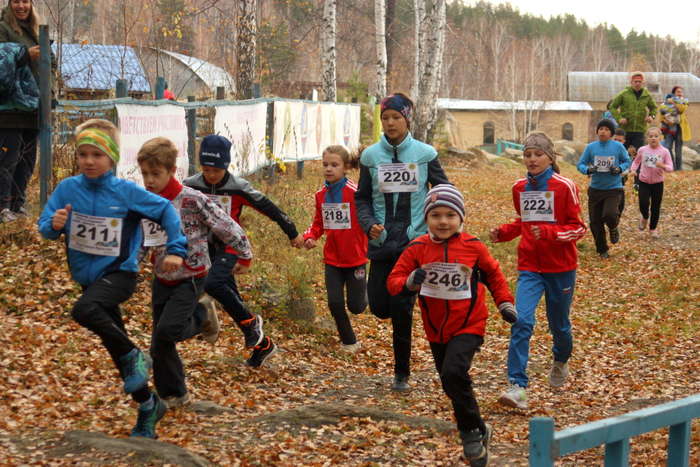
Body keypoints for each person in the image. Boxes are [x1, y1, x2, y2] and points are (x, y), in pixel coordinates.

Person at [37, 119, 188, 438]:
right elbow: (45, 225)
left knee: (83, 311)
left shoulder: (127, 192)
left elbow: (165, 211)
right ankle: (149, 406)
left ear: (112, 158)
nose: (89, 161)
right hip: (88, 280)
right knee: (116, 349)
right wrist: (55, 222)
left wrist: (176, 248)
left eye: (97, 155)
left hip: (119, 275)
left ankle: (137, 355)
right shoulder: (68, 189)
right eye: (83, 154)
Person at [387, 184, 516, 465]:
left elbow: (494, 275)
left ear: (460, 218)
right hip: (436, 328)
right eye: (436, 215)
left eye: (450, 215)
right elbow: (394, 281)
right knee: (449, 380)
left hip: (470, 323)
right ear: (427, 219)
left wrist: (505, 303)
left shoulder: (473, 246)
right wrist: (410, 281)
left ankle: (470, 433)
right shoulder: (417, 248)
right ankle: (480, 427)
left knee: (455, 371)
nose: (443, 221)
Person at [137, 137, 254, 409]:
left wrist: (244, 253)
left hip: (192, 275)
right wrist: (131, 265)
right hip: (162, 277)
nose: (150, 180)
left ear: (171, 170)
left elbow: (227, 226)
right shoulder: (146, 202)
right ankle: (174, 394)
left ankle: (202, 316)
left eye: (156, 174)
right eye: (145, 174)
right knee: (159, 343)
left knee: (167, 331)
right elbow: (143, 238)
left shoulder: (191, 199)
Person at [355, 92, 450, 392]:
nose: (391, 123)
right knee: (380, 307)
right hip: (383, 243)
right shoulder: (370, 156)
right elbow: (361, 198)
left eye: (396, 117)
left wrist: (436, 225)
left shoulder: (425, 154)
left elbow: (445, 189)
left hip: (414, 244)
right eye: (386, 118)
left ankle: (401, 374)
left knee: (401, 309)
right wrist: (370, 225)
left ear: (407, 119)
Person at [184, 135, 299, 366]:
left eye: (216, 170)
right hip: (204, 248)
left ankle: (252, 324)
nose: (211, 175)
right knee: (230, 299)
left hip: (231, 246)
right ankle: (263, 345)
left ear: (226, 166)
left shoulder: (238, 187)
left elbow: (269, 208)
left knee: (212, 285)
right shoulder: (191, 185)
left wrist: (292, 232)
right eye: (206, 169)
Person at [491, 132, 586, 410]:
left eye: (537, 154)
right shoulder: (519, 187)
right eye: (527, 154)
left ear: (550, 157)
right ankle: (517, 386)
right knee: (521, 321)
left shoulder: (564, 186)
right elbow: (523, 222)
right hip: (530, 266)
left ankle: (560, 359)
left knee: (560, 326)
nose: (531, 159)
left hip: (561, 267)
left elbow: (578, 228)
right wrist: (504, 233)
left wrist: (549, 233)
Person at [302, 145, 368, 352]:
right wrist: (310, 236)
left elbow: (369, 217)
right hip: (332, 259)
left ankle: (368, 289)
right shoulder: (320, 195)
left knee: (356, 307)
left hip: (355, 258)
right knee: (335, 303)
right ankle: (349, 341)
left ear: (346, 167)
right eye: (325, 165)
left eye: (334, 165)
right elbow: (318, 223)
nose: (329, 169)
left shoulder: (355, 193)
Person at [0, 0, 51, 221]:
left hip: (33, 105)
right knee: (8, 157)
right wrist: (24, 55)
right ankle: (2, 207)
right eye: (16, 1)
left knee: (27, 159)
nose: (21, 6)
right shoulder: (2, 28)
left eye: (25, 1)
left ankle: (17, 205)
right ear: (9, 4)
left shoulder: (35, 28)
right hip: (9, 107)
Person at [576, 119, 630, 258]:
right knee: (595, 222)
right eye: (600, 129)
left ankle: (613, 227)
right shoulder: (591, 147)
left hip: (613, 188)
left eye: (606, 129)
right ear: (597, 131)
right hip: (595, 189)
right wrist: (588, 170)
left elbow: (627, 161)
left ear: (611, 133)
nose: (603, 131)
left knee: (610, 214)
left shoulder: (618, 147)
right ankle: (602, 249)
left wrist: (619, 169)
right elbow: (580, 164)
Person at [630, 127, 674, 238]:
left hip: (658, 183)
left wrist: (662, 165)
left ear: (661, 138)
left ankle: (653, 229)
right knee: (643, 204)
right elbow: (636, 162)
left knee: (655, 207)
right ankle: (644, 217)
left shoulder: (665, 151)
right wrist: (633, 170)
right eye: (650, 136)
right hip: (643, 181)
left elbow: (670, 168)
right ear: (647, 138)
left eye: (656, 136)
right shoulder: (642, 150)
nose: (653, 138)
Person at [609, 71, 657, 152]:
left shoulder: (646, 95)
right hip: (625, 129)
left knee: (639, 153)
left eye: (640, 82)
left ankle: (637, 165)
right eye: (635, 81)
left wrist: (651, 117)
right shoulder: (624, 93)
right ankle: (620, 165)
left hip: (640, 130)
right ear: (631, 82)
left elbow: (654, 108)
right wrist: (619, 119)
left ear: (643, 83)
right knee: (621, 153)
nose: (637, 83)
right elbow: (612, 107)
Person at [659, 86, 690, 171]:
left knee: (678, 149)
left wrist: (674, 102)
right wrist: (666, 121)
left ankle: (679, 168)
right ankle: (671, 166)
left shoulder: (684, 102)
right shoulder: (667, 101)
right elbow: (662, 112)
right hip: (668, 128)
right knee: (668, 147)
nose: (680, 93)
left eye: (681, 92)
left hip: (680, 128)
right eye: (678, 92)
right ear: (674, 93)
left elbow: (681, 110)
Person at [612, 128, 635, 216]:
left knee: (619, 195)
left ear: (624, 141)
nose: (617, 142)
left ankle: (618, 213)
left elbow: (628, 167)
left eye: (620, 140)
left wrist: (620, 170)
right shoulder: (607, 149)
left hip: (621, 177)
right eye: (615, 139)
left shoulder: (624, 152)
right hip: (608, 178)